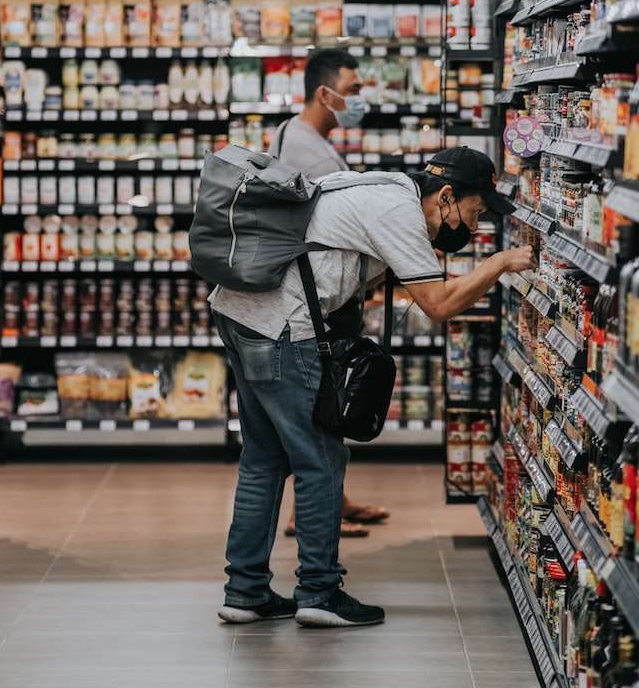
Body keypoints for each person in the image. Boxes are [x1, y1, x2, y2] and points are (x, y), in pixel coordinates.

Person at [213, 146, 535, 629]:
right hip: (281, 327)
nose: (474, 224)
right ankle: (319, 592)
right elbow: (439, 304)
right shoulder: (398, 211)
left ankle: (245, 592)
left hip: (240, 313)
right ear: (446, 197)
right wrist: (499, 264)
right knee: (320, 459)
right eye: (475, 210)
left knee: (264, 457)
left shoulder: (386, 185)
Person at [273, 48, 389, 539]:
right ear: (326, 93)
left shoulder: (290, 132)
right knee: (326, 404)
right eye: (355, 89)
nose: (360, 98)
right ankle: (313, 513)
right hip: (319, 298)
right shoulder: (316, 153)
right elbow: (342, 230)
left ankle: (333, 501)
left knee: (323, 406)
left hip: (304, 292)